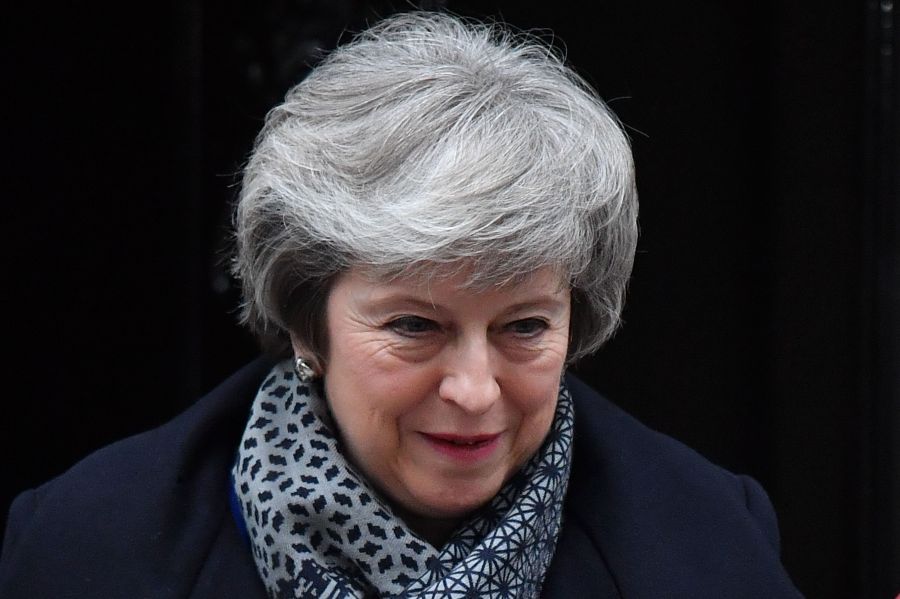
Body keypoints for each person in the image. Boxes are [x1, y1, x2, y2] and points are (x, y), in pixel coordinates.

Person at [0, 11, 803, 598]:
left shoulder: (709, 546)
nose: (475, 390)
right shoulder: (87, 548)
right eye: (415, 325)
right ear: (307, 321)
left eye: (524, 326)